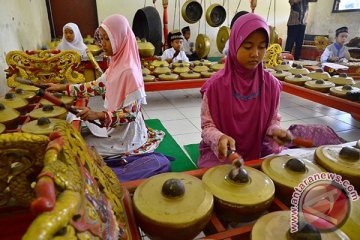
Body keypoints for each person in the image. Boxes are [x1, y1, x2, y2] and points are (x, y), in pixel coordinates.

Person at [47, 15, 164, 157]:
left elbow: (130, 114)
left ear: (120, 38)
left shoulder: (129, 71)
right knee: (73, 121)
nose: (103, 43)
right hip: (115, 128)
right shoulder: (116, 63)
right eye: (101, 38)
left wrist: (97, 115)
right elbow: (97, 86)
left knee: (77, 148)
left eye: (108, 39)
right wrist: (63, 88)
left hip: (126, 136)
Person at [199, 13, 290, 168]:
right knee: (219, 178)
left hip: (258, 148)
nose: (255, 54)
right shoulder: (215, 86)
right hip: (226, 152)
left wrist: (275, 131)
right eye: (248, 46)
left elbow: (273, 119)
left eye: (262, 47)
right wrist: (219, 138)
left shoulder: (271, 85)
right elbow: (207, 126)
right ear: (234, 45)